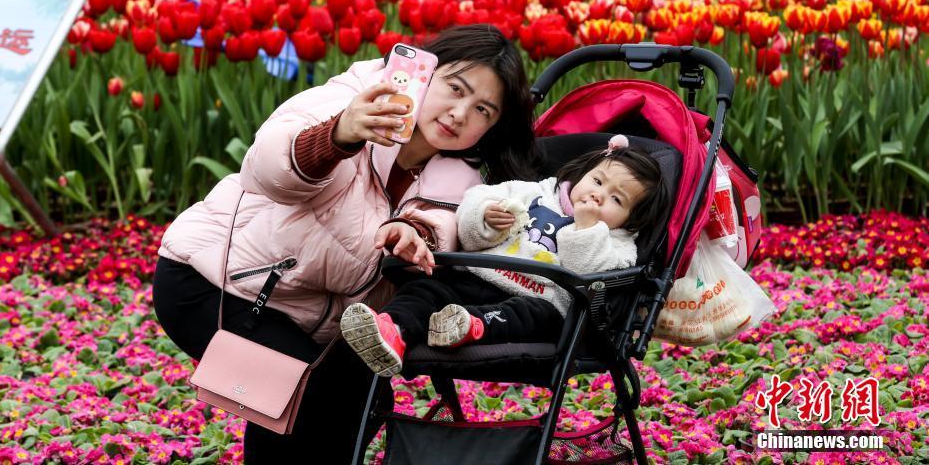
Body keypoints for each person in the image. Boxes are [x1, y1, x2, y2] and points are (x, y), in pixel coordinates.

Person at [152, 24, 538, 463]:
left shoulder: (462, 175)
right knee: (301, 391)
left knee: (363, 399)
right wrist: (339, 134)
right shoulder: (356, 98)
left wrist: (415, 236)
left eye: (483, 110)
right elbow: (264, 168)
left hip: (303, 312)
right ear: (425, 70)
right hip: (216, 282)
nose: (460, 113)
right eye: (455, 88)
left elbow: (445, 224)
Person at [340, 135, 670, 377]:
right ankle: (392, 330)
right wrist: (485, 217)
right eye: (598, 180)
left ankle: (471, 326)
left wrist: (585, 230)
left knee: (532, 314)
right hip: (477, 276)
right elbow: (473, 203)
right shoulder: (535, 191)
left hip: (539, 301)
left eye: (617, 199)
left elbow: (592, 276)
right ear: (585, 171)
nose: (598, 195)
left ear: (633, 218)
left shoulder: (619, 244)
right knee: (426, 288)